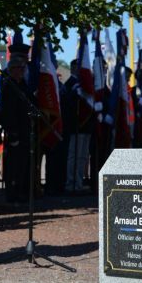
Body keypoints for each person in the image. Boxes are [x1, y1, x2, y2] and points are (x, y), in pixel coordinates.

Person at [0, 56, 34, 202]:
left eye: (23, 69)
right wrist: (12, 132)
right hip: (14, 131)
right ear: (12, 70)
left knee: (22, 164)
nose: (22, 71)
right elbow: (7, 111)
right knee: (13, 165)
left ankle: (20, 191)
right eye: (19, 69)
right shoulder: (9, 86)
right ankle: (11, 194)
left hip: (25, 130)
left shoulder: (23, 86)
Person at [63, 59, 94, 193]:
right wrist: (74, 93)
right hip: (75, 125)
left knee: (82, 156)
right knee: (73, 156)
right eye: (76, 67)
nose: (78, 70)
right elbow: (66, 103)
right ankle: (71, 183)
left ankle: (79, 182)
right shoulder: (69, 83)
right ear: (72, 68)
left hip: (86, 125)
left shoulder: (85, 84)